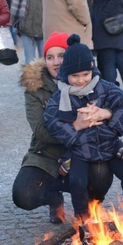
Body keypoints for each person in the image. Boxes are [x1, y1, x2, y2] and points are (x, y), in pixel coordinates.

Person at [12, 32, 113, 224]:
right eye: (50, 57)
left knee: (102, 171)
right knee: (23, 195)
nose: (56, 62)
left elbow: (119, 105)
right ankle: (54, 198)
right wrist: (75, 126)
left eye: (62, 56)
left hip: (83, 151)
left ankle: (91, 202)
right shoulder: (35, 88)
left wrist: (105, 112)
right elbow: (40, 130)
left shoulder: (89, 81)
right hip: (47, 153)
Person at [43, 34, 123, 221]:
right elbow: (52, 122)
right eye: (75, 76)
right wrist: (75, 130)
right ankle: (84, 221)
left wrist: (109, 119)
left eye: (85, 75)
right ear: (65, 75)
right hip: (80, 148)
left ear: (92, 70)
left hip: (110, 144)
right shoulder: (60, 96)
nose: (80, 81)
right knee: (77, 183)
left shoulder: (105, 87)